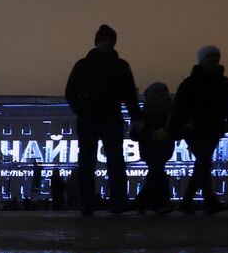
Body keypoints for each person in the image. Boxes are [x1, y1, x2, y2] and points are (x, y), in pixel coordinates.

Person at [64, 24, 140, 215]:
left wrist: (136, 118)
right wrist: (80, 110)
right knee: (88, 161)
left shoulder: (121, 66)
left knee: (115, 160)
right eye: (105, 39)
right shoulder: (83, 65)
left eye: (111, 39)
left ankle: (117, 201)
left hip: (110, 118)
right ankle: (87, 202)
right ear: (97, 42)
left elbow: (130, 94)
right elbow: (70, 92)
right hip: (90, 119)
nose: (109, 42)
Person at [174, 45, 228, 215]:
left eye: (215, 57)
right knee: (204, 160)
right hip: (193, 129)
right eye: (209, 57)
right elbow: (179, 106)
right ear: (202, 60)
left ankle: (189, 201)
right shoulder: (190, 83)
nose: (212, 60)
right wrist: (185, 122)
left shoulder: (224, 83)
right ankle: (208, 201)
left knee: (203, 162)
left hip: (212, 128)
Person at [132, 81, 177, 213]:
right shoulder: (170, 111)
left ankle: (147, 202)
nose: (162, 94)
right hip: (156, 147)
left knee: (156, 172)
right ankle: (158, 203)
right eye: (158, 92)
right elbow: (135, 134)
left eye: (164, 91)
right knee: (158, 173)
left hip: (156, 147)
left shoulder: (145, 112)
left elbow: (135, 134)